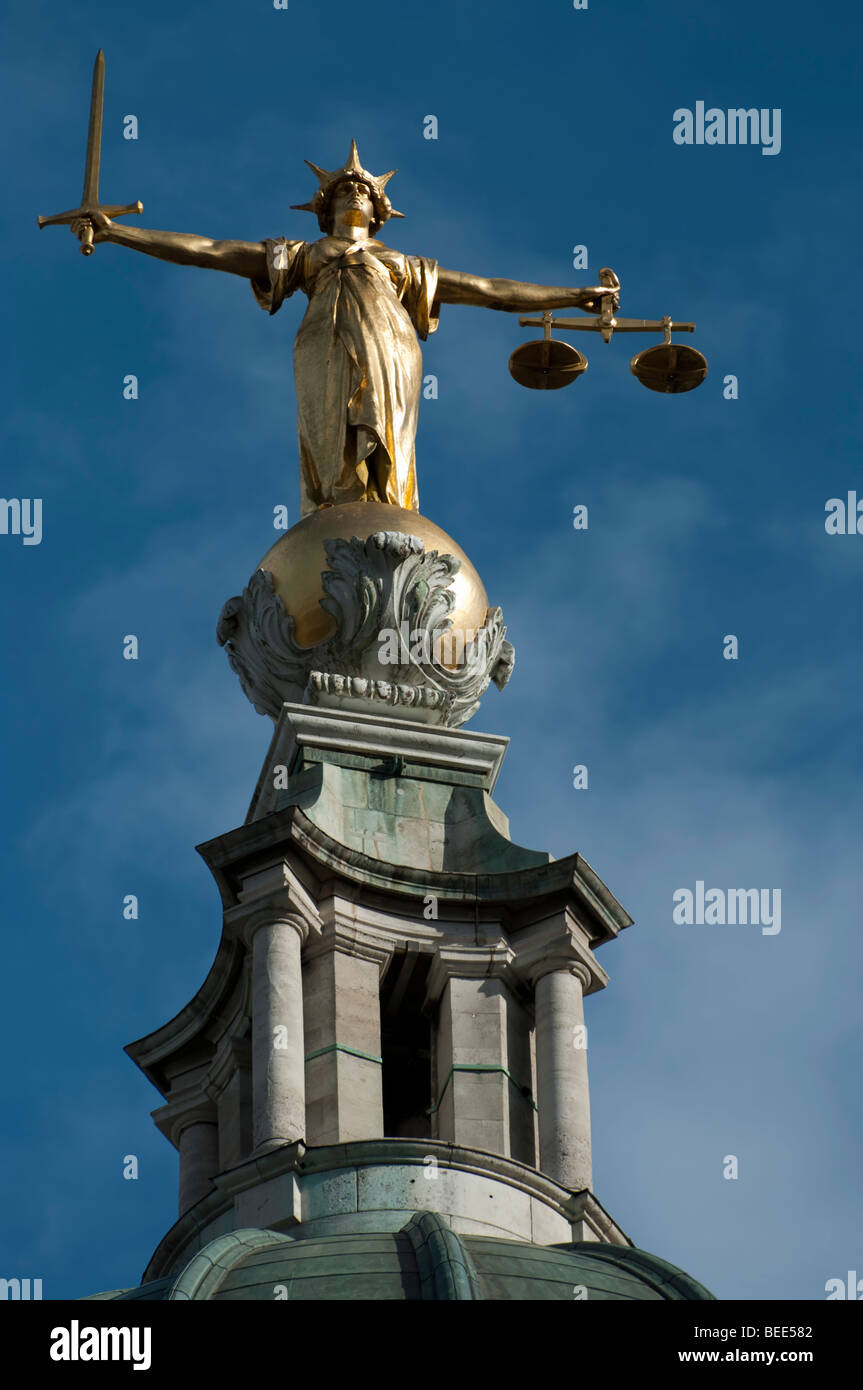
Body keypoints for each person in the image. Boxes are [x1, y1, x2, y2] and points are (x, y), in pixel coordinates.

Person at [74, 142, 620, 516]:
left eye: (363, 191)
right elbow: (210, 252)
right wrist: (122, 234)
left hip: (390, 345)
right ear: (325, 207)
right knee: (330, 434)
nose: (353, 193)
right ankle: (336, 510)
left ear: (379, 211)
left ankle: (385, 511)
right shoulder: (306, 257)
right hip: (324, 343)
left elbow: (488, 290)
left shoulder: (400, 266)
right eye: (342, 191)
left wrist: (575, 294)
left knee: (386, 437)